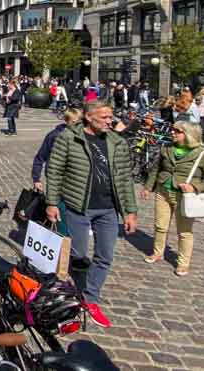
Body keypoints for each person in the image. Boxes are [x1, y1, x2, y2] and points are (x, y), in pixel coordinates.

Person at [45, 100, 138, 328]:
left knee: (105, 256)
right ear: (88, 117)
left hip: (108, 208)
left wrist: (130, 211)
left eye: (110, 117)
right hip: (79, 206)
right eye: (104, 117)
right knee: (77, 254)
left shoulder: (117, 142)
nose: (110, 121)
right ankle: (61, 281)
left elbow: (125, 179)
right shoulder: (69, 138)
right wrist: (52, 202)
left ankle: (90, 298)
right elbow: (54, 170)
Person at [141, 121, 204, 276]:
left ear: (189, 135)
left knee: (184, 231)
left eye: (177, 131)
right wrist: (148, 187)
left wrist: (195, 187)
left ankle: (183, 263)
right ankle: (158, 253)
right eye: (173, 129)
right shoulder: (167, 148)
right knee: (160, 226)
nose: (172, 133)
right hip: (163, 191)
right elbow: (156, 169)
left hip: (185, 197)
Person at [32, 108, 83, 190]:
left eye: (79, 122)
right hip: (56, 177)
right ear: (66, 121)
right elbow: (40, 157)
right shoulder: (54, 135)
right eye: (73, 122)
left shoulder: (82, 135)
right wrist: (36, 179)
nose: (76, 125)